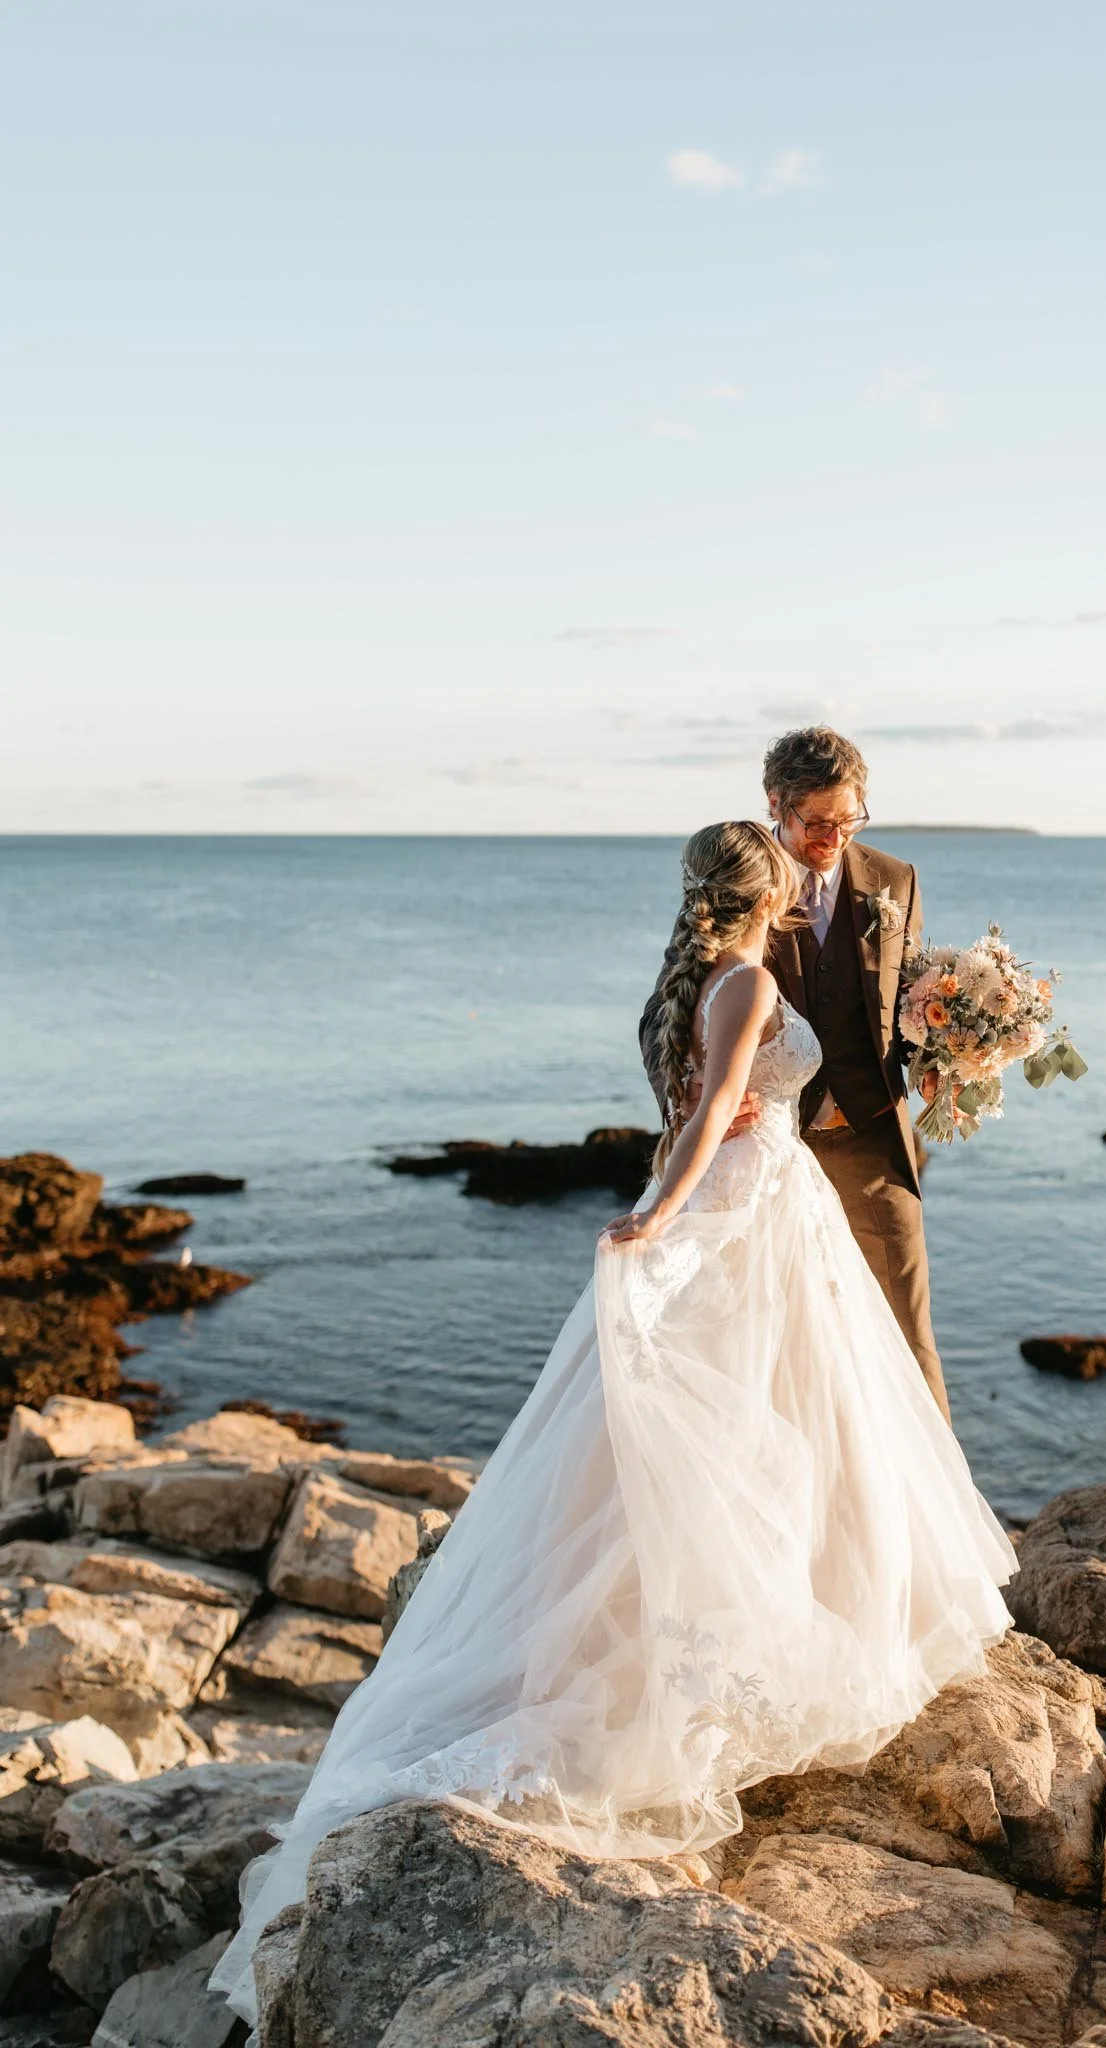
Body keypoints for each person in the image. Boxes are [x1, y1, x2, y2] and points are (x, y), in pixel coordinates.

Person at [211, 818, 1015, 2034]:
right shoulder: (744, 980)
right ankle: (704, 1650)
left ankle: (766, 1608)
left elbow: (714, 1098)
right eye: (790, 877)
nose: (811, 884)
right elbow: (707, 1120)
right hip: (745, 1218)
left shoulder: (701, 976)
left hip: (770, 1211)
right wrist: (660, 1219)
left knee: (766, 1432)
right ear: (761, 897)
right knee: (732, 1442)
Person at [641, 726, 951, 1422]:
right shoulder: (737, 885)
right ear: (776, 803)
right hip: (771, 1157)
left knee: (906, 1334)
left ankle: (944, 1511)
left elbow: (911, 1000)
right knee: (779, 1348)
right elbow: (665, 1008)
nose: (835, 836)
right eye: (818, 822)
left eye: (851, 819)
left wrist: (949, 1048)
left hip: (872, 1143)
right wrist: (686, 1094)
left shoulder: (895, 881)